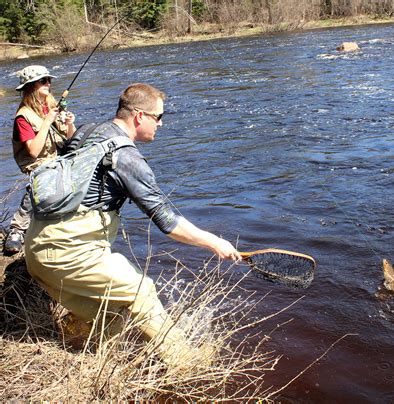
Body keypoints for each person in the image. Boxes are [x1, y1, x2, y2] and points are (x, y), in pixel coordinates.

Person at [24, 83, 241, 364]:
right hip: (67, 253)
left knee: (111, 316)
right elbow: (166, 220)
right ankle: (186, 364)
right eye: (158, 117)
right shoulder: (127, 157)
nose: (161, 124)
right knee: (142, 292)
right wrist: (215, 242)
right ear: (140, 116)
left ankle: (78, 354)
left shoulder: (89, 130)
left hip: (39, 248)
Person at [3, 65, 76, 254]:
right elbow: (34, 152)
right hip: (38, 164)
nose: (48, 84)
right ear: (31, 86)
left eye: (49, 80)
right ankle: (17, 230)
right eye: (43, 81)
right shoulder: (23, 117)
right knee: (43, 176)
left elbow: (71, 139)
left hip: (59, 157)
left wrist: (69, 124)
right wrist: (47, 122)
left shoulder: (51, 107)